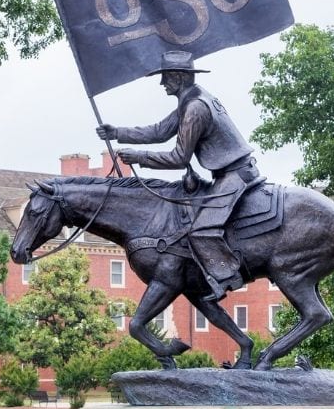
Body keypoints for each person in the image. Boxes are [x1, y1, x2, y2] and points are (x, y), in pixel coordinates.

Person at [96, 51, 260, 302]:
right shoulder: (191, 99)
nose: (162, 83)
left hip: (235, 175)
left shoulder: (195, 107)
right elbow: (161, 131)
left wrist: (139, 158)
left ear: (180, 77)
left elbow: (179, 158)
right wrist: (117, 132)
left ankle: (225, 278)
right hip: (226, 173)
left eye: (166, 77)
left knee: (201, 229)